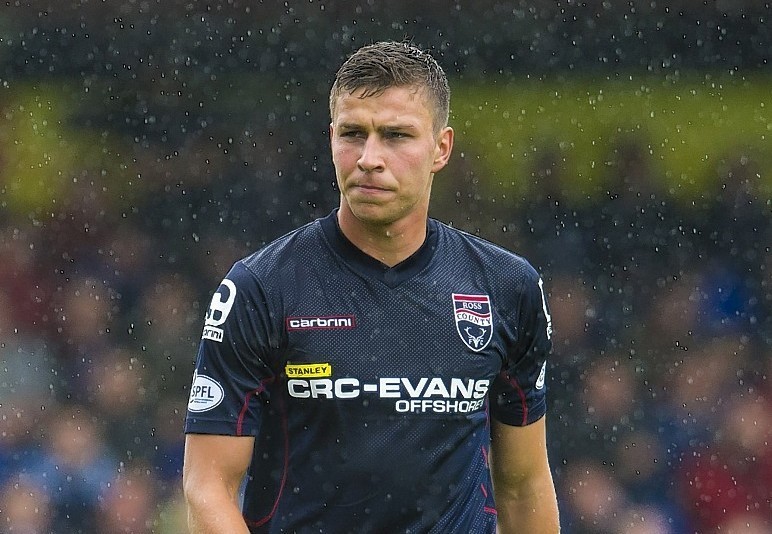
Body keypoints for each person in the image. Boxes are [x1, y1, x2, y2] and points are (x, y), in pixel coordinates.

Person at [182, 40, 560, 534]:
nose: (369, 158)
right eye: (353, 134)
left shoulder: (508, 289)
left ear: (441, 148)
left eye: (396, 135)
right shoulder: (260, 288)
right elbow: (206, 484)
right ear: (331, 139)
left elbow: (524, 484)